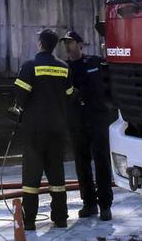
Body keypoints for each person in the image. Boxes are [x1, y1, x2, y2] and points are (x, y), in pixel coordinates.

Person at [9, 28, 74, 230]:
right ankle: (61, 218)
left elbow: (20, 97)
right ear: (54, 45)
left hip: (34, 131)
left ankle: (29, 222)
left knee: (31, 178)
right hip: (57, 131)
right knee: (57, 177)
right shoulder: (64, 68)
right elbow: (70, 95)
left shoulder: (30, 66)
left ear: (40, 44)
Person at [61, 29, 113, 220]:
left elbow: (109, 76)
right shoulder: (64, 68)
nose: (67, 46)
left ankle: (105, 205)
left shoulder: (94, 62)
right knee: (82, 163)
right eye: (65, 43)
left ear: (80, 44)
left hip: (97, 118)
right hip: (76, 119)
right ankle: (89, 204)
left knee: (101, 161)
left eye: (70, 42)